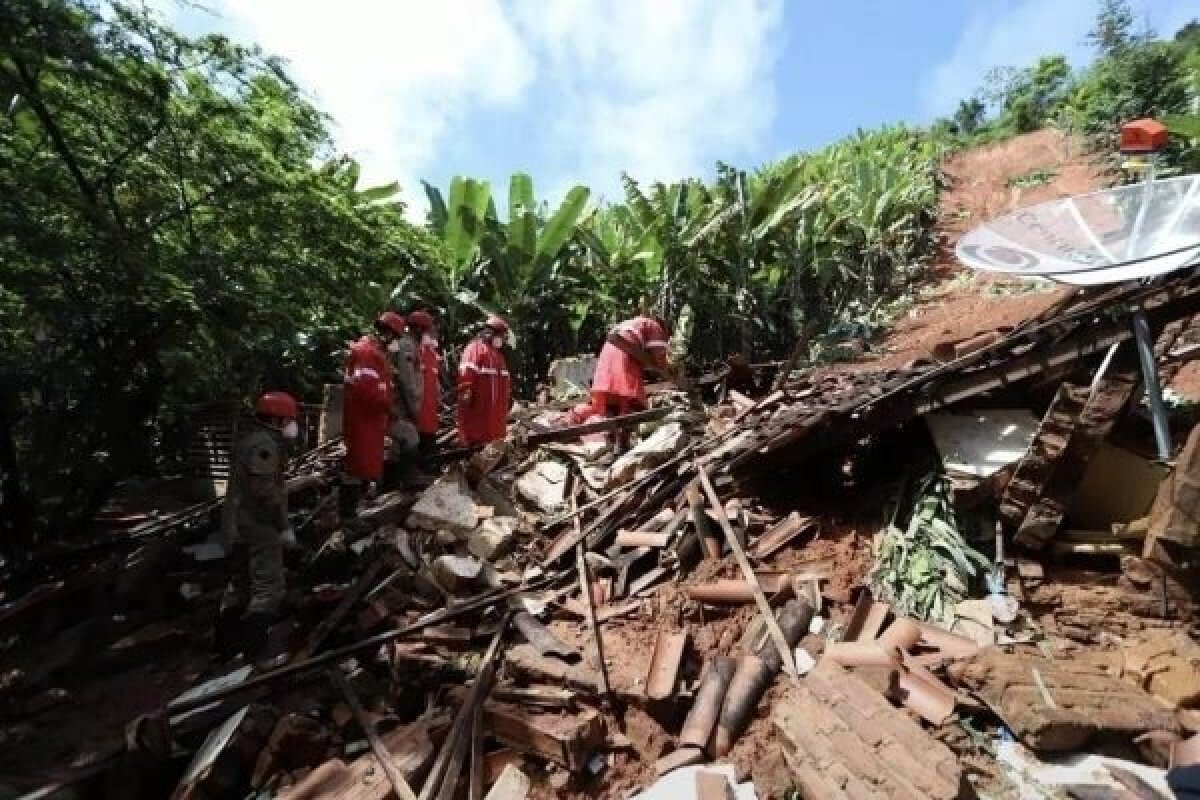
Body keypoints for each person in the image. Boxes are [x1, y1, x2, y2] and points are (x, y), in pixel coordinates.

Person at [217, 391, 299, 661]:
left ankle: (225, 647)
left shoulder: (248, 440)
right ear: (276, 419)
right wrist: (283, 526)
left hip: (237, 522)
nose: (292, 424)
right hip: (258, 523)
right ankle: (256, 654)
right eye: (289, 419)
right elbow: (265, 492)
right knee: (268, 587)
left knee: (239, 584)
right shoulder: (265, 446)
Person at [340, 311, 404, 523]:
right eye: (395, 338)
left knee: (363, 464)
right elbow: (367, 391)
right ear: (387, 334)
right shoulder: (368, 354)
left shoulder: (373, 353)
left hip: (370, 419)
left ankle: (354, 509)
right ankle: (348, 514)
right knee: (357, 465)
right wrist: (388, 406)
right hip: (364, 418)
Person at [456, 315, 512, 446]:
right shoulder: (474, 349)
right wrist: (466, 399)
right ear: (491, 333)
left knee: (493, 446)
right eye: (501, 336)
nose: (502, 340)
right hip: (479, 415)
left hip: (496, 418)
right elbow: (465, 377)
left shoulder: (498, 356)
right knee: (478, 445)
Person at [385, 313, 426, 488]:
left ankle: (390, 485)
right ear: (419, 329)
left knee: (396, 446)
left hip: (394, 402)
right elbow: (407, 380)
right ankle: (408, 480)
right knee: (410, 437)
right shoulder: (407, 346)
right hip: (398, 404)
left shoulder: (404, 345)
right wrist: (414, 408)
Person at [408, 310, 442, 461]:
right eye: (429, 330)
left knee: (428, 447)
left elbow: (434, 381)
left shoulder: (431, 353)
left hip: (429, 410)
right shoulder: (410, 350)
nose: (432, 334)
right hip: (414, 410)